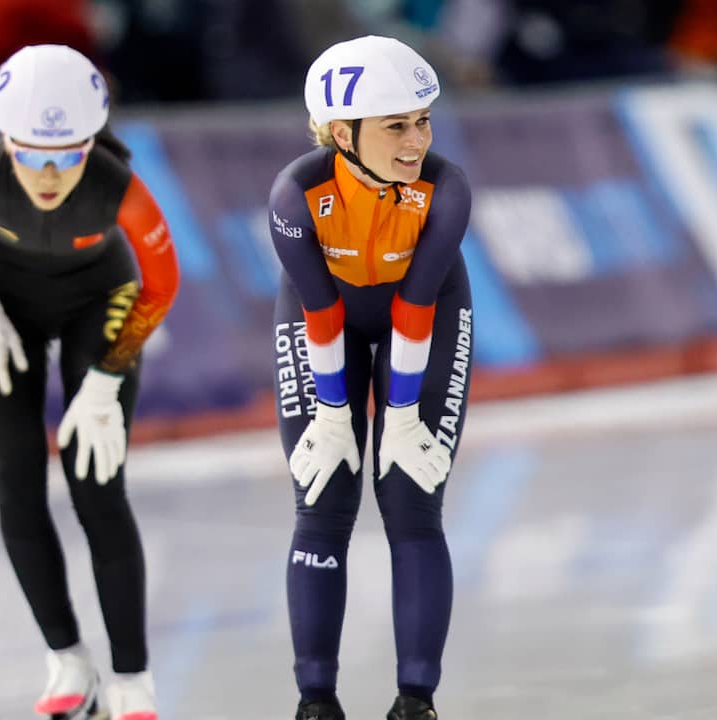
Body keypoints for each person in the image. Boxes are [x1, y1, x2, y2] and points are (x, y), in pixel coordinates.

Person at [0, 44, 179, 720]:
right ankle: (67, 659)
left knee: (98, 487)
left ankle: (131, 678)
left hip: (103, 302)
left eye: (66, 156)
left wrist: (105, 380)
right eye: (31, 155)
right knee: (16, 478)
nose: (47, 173)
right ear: (5, 141)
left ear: (90, 144)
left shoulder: (118, 188)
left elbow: (161, 283)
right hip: (4, 302)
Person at [267, 35, 473, 720]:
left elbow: (416, 306)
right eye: (396, 126)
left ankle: (415, 701)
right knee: (323, 501)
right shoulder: (296, 194)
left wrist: (404, 414)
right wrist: (333, 414)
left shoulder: (446, 188)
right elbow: (320, 309)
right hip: (327, 319)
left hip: (429, 310)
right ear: (339, 133)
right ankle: (315, 701)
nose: (417, 141)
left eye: (423, 120)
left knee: (413, 501)